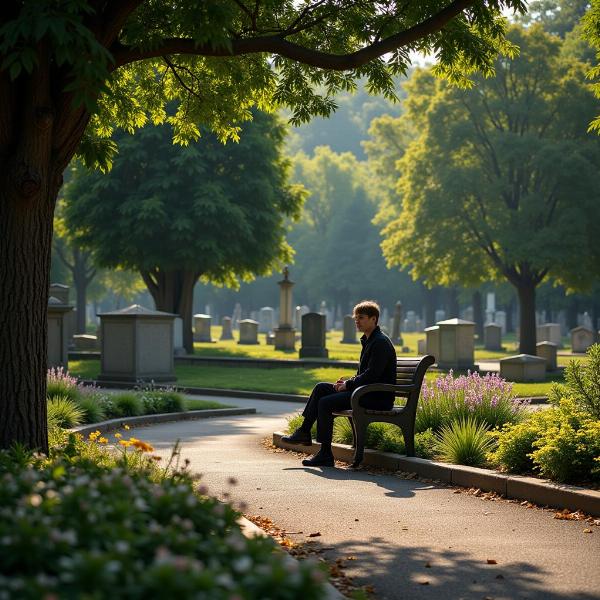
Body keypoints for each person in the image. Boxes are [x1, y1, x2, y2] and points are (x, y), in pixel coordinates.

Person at [282, 300, 397, 467]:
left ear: (374, 319)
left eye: (362, 318)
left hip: (377, 397)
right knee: (321, 388)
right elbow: (366, 374)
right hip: (365, 392)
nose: (357, 321)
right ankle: (304, 431)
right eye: (356, 318)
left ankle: (325, 454)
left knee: (325, 403)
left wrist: (349, 385)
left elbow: (373, 375)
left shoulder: (380, 342)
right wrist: (347, 382)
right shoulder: (369, 340)